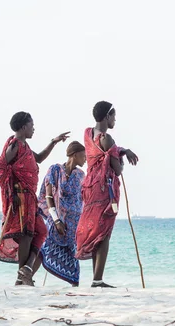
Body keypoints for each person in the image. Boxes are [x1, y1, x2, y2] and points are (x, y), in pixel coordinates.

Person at [0, 111, 70, 286]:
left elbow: (40, 158)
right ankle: (23, 278)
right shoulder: (14, 146)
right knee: (26, 234)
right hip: (20, 196)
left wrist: (53, 142)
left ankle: (26, 269)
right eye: (32, 125)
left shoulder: (24, 147)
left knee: (41, 230)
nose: (34, 128)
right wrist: (12, 192)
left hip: (30, 197)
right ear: (23, 126)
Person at [75, 101, 138, 287]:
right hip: (105, 190)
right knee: (104, 234)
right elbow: (117, 169)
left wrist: (123, 150)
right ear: (106, 117)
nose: (115, 120)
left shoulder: (88, 133)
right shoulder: (107, 139)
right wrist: (122, 158)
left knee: (96, 231)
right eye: (113, 116)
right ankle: (98, 280)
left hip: (90, 187)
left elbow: (106, 152)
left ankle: (96, 278)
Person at [34, 141, 86, 287]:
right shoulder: (55, 170)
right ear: (75, 155)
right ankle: (26, 277)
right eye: (84, 155)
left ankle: (75, 286)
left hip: (73, 225)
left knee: (72, 255)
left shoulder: (81, 175)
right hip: (56, 219)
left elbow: (84, 198)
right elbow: (49, 196)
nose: (86, 159)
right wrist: (56, 220)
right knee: (46, 248)